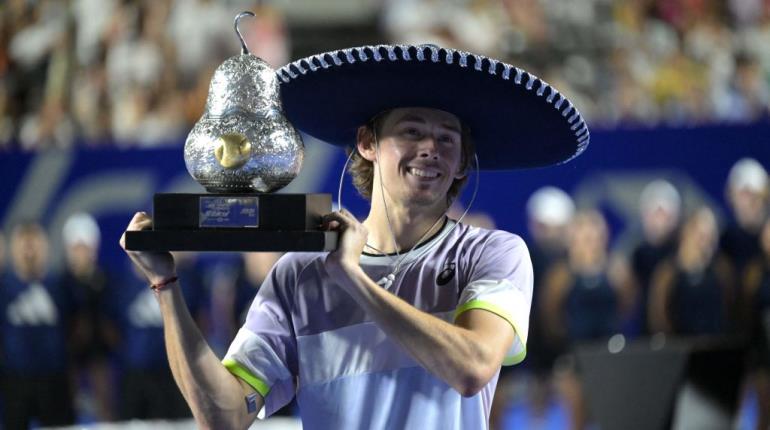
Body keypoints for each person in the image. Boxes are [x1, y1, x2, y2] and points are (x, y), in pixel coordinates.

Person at [120, 44, 589, 428]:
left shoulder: (494, 253)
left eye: (448, 139)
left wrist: (353, 280)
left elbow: (472, 368)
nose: (430, 148)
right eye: (411, 131)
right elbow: (223, 416)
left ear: (463, 161)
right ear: (367, 143)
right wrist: (166, 287)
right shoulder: (298, 275)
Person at [1, 221, 76, 429]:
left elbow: (75, 328)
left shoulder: (61, 285)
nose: (29, 250)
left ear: (45, 247)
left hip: (55, 380)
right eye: (23, 243)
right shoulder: (4, 288)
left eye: (34, 243)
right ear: (13, 249)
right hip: (15, 381)